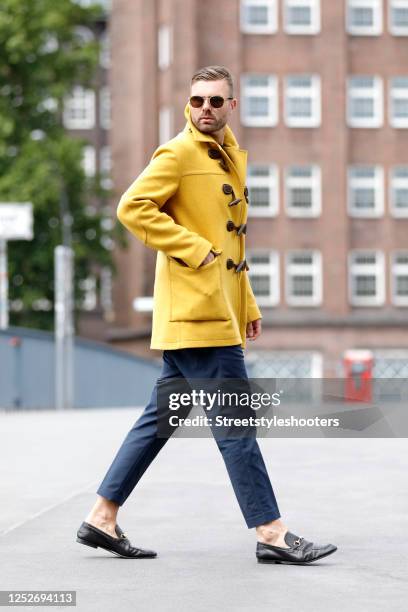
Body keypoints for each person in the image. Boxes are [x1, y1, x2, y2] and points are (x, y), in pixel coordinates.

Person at [76, 66, 337, 564]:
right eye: (197, 100)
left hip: (213, 311)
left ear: (231, 106)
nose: (206, 109)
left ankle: (101, 516)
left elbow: (234, 245)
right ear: (187, 104)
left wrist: (248, 304)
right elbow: (133, 207)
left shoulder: (228, 157)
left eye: (216, 101)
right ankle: (271, 532)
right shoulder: (178, 154)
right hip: (198, 316)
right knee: (236, 424)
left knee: (159, 420)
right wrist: (192, 249)